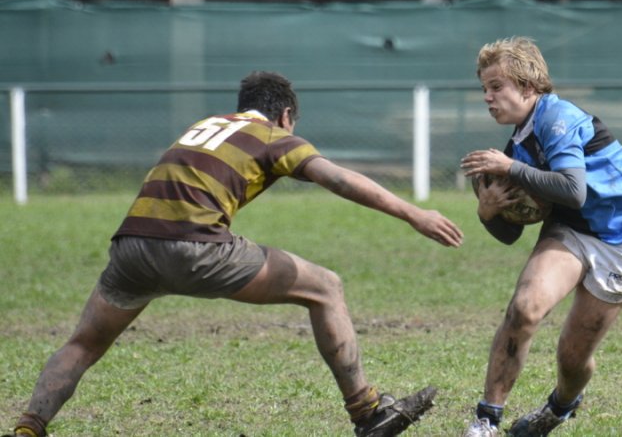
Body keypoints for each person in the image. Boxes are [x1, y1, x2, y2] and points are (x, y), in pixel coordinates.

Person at [4, 71, 464, 437]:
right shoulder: (270, 135)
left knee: (83, 342)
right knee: (325, 288)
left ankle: (29, 426)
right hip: (194, 246)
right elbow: (336, 177)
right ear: (286, 115)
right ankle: (367, 413)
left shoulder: (205, 125)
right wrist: (412, 213)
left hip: (132, 246)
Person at [459, 37, 622, 437]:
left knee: (572, 356)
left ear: (528, 88)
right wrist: (487, 211)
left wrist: (511, 168)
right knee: (524, 309)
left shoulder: (557, 118)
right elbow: (510, 235)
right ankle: (486, 420)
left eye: (497, 87)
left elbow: (572, 189)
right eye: (484, 89)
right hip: (570, 229)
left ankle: (561, 406)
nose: (488, 97)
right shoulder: (515, 144)